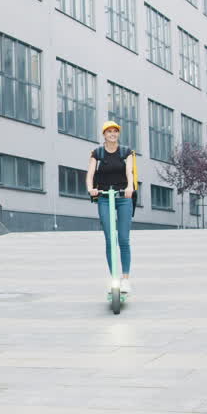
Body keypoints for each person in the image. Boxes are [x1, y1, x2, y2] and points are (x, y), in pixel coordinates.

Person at [86, 121, 137, 294]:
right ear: (104, 135)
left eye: (115, 131)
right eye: (109, 132)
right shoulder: (97, 153)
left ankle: (125, 279)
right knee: (109, 239)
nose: (113, 134)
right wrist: (90, 188)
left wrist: (130, 187)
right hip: (105, 197)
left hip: (123, 196)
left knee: (123, 239)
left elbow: (129, 171)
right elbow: (90, 174)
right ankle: (114, 277)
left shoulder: (125, 152)